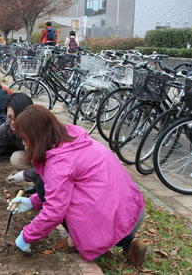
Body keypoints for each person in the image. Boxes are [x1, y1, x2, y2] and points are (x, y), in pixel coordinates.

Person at [9, 105, 146, 266]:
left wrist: (26, 236)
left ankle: (79, 241)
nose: (24, 144)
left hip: (112, 216)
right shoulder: (72, 137)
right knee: (47, 188)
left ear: (36, 137)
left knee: (44, 188)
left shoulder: (58, 164)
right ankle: (129, 243)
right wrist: (33, 202)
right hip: (132, 211)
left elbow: (55, 210)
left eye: (25, 139)